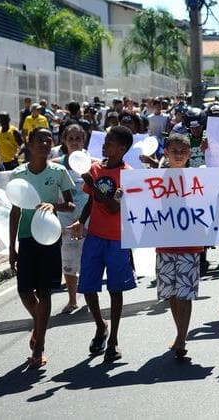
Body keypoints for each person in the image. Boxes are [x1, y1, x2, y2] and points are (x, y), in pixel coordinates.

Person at [9, 128, 75, 369]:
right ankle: (40, 324)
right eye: (40, 139)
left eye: (49, 139)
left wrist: (53, 204)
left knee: (45, 291)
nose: (45, 143)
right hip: (26, 239)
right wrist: (12, 248)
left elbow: (69, 204)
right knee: (25, 291)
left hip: (49, 238)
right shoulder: (18, 174)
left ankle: (39, 346)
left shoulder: (59, 171)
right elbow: (15, 212)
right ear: (29, 143)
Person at [69, 126, 136, 362]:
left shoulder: (128, 174)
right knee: (88, 286)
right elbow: (91, 202)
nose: (105, 145)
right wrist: (80, 220)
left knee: (115, 289)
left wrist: (93, 183)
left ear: (122, 149)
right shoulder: (95, 169)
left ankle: (114, 340)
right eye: (105, 141)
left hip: (118, 239)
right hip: (95, 236)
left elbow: (113, 206)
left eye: (110, 142)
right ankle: (100, 325)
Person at [155, 133, 209, 359]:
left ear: (190, 154)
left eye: (183, 151)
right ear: (165, 153)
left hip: (189, 244)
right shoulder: (154, 179)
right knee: (171, 293)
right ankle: (180, 332)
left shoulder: (200, 178)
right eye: (174, 151)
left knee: (185, 292)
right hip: (164, 245)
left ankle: (181, 338)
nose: (179, 155)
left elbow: (209, 204)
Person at [52, 124, 94, 314]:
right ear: (64, 141)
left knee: (90, 259)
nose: (75, 142)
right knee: (68, 260)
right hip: (65, 220)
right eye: (71, 139)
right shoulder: (55, 165)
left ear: (83, 141)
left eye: (78, 138)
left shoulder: (93, 163)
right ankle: (72, 299)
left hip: (90, 219)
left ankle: (90, 297)